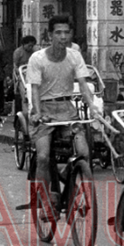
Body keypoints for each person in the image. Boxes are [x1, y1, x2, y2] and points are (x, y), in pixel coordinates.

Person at [25, 15, 100, 206]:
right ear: (50, 35)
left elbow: (83, 84)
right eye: (58, 32)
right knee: (43, 156)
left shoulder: (74, 56)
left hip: (67, 108)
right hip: (45, 108)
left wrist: (93, 107)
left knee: (84, 152)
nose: (63, 37)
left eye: (67, 32)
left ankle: (68, 173)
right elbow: (34, 88)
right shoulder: (37, 58)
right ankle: (44, 197)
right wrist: (37, 112)